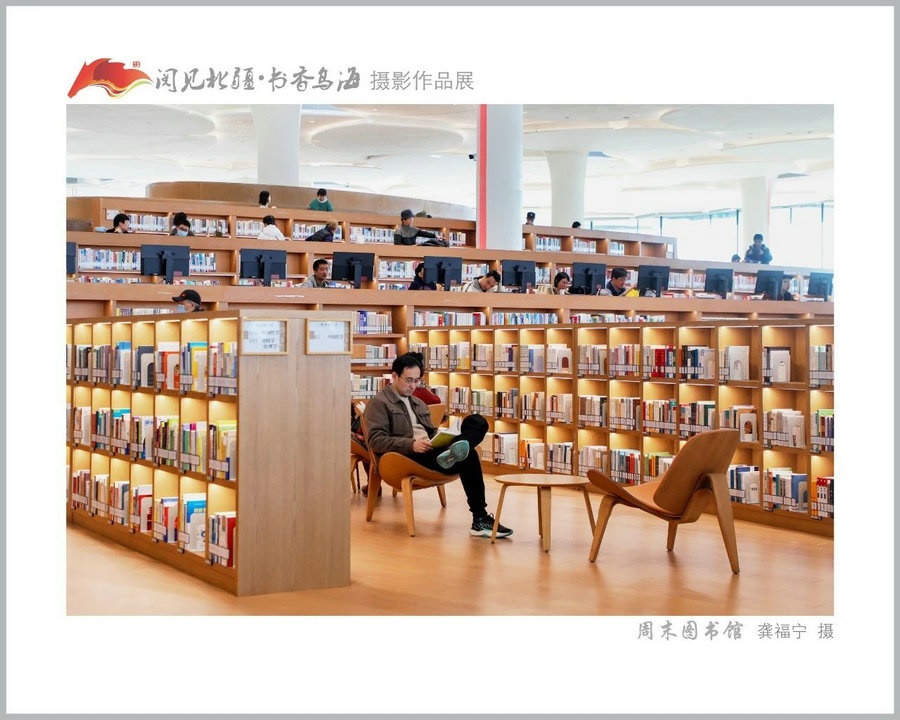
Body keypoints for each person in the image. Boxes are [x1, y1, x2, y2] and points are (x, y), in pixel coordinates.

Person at [363, 353, 512, 538]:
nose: (413, 386)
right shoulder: (379, 403)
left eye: (417, 380)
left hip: (431, 450)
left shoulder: (418, 403)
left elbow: (429, 432)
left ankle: (457, 446)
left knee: (477, 421)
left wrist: (442, 437)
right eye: (408, 380)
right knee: (470, 455)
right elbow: (376, 440)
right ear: (394, 376)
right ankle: (480, 518)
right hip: (407, 457)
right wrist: (411, 445)